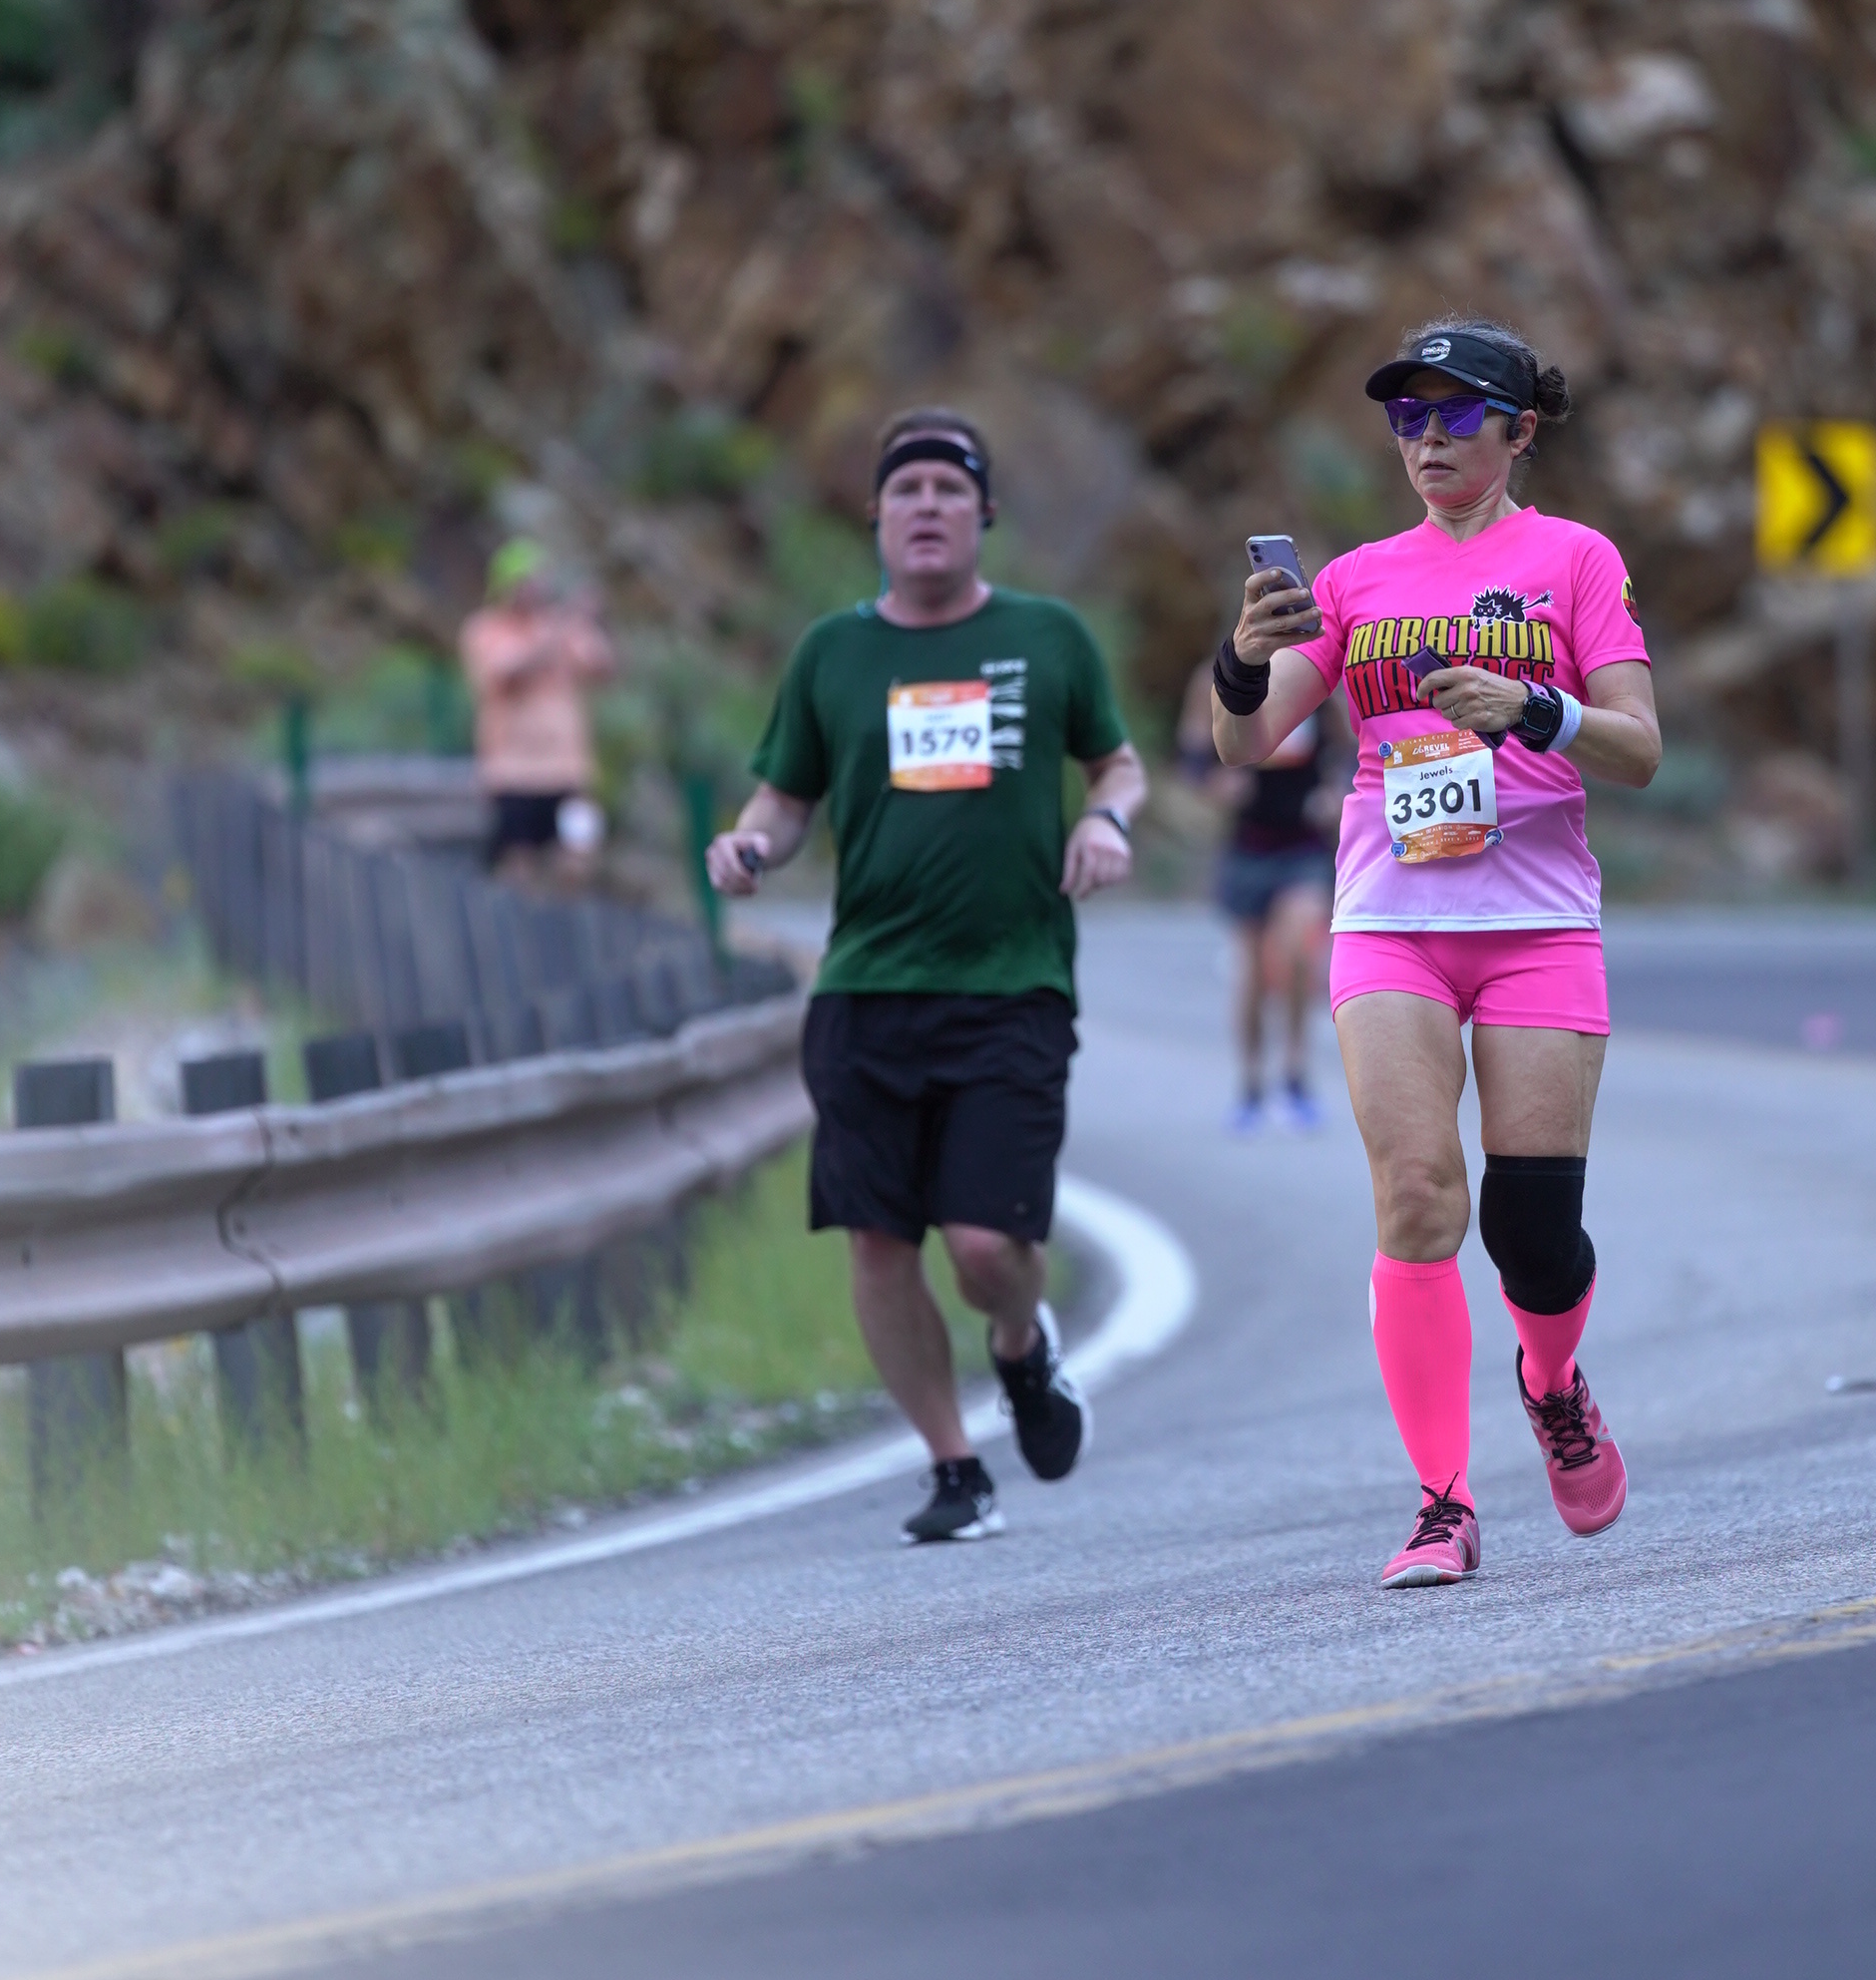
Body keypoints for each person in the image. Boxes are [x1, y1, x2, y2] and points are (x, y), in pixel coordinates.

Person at [1210, 318, 1661, 1590]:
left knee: (1532, 1237)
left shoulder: (1574, 560)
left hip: (1535, 926)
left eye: (1456, 414)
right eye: (1406, 417)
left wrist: (1537, 709)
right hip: (1389, 921)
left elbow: (1639, 748)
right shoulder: (1354, 582)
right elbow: (1245, 743)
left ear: (1519, 430)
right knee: (1415, 1199)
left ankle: (1552, 1381)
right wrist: (1239, 663)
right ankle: (1440, 1502)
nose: (1426, 439)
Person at [705, 408, 1147, 1544]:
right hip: (865, 987)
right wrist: (749, 844)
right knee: (878, 1239)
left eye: (951, 489)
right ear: (875, 517)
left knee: (986, 1248)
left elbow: (1118, 764)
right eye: (907, 490)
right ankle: (954, 1467)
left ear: (983, 514)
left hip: (1012, 982)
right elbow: (785, 797)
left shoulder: (1046, 637)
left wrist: (1103, 820)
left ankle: (1021, 1345)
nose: (928, 507)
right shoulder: (833, 653)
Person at [1178, 656, 1342, 1130]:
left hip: (1303, 842)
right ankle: (1251, 1084)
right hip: (1249, 843)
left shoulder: (1318, 666)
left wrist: (1335, 792)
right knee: (1251, 973)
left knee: (1298, 956)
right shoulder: (1215, 675)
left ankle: (1294, 1075)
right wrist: (1215, 783)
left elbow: (1348, 744)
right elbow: (1192, 755)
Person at [458, 540, 615, 873]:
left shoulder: (561, 626)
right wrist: (561, 625)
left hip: (568, 771)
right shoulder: (486, 629)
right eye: (528, 581)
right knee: (517, 863)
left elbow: (602, 668)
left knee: (579, 856)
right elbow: (506, 672)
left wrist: (588, 622)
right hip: (513, 775)